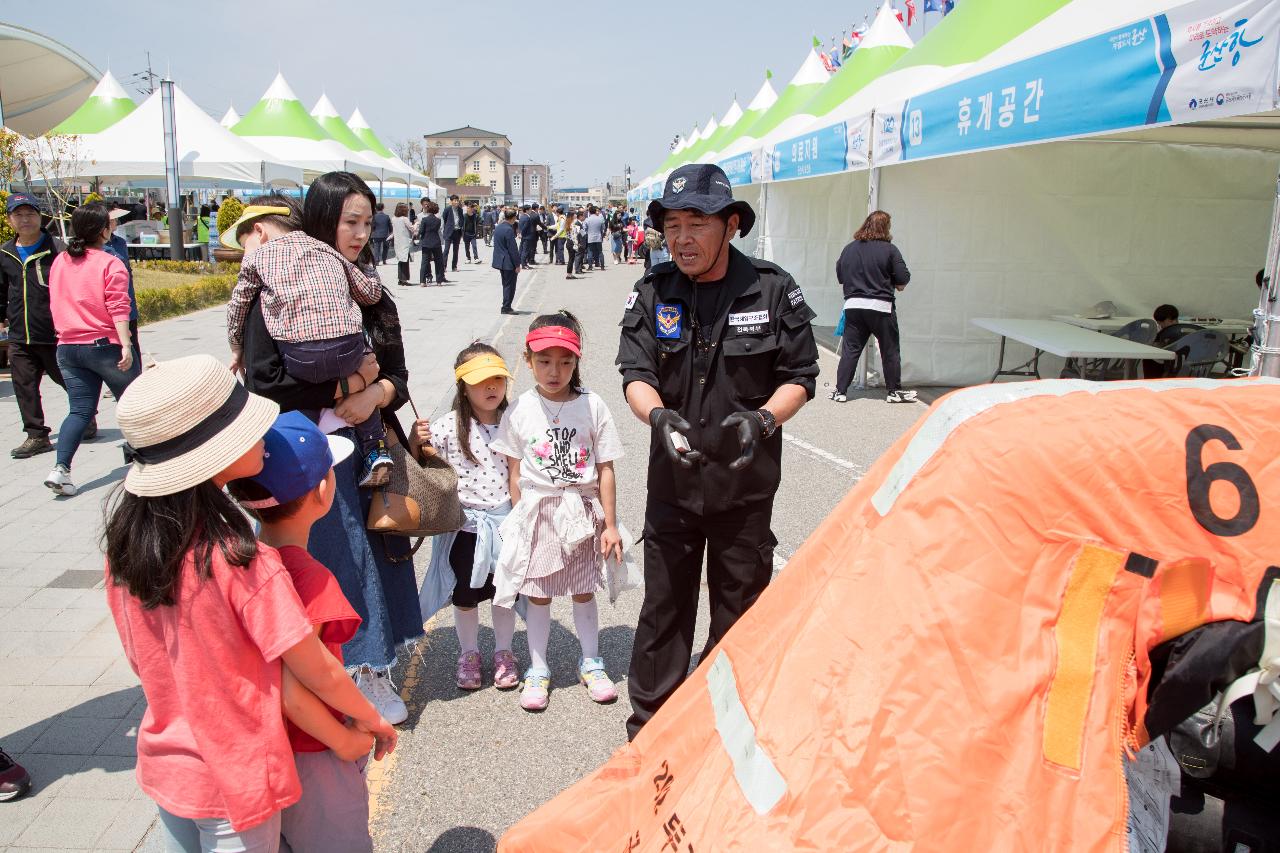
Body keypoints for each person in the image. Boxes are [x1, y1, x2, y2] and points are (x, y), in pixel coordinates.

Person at [104, 354, 397, 852]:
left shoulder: (127, 552)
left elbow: (142, 658)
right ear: (213, 456)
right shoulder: (241, 560)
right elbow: (313, 670)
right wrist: (368, 723)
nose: (262, 435)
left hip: (168, 765)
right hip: (238, 778)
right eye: (248, 430)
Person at [616, 163, 819, 739]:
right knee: (663, 611)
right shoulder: (653, 291)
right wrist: (656, 415)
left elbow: (801, 374)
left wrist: (763, 419)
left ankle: (728, 727)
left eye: (696, 224)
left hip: (744, 487)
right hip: (673, 487)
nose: (681, 238)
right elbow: (635, 371)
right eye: (672, 225)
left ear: (730, 225)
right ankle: (650, 732)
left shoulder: (773, 288)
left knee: (741, 614)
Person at [238, 177, 422, 726]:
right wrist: (344, 390)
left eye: (368, 223)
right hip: (302, 455)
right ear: (321, 221)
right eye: (350, 222)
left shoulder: (369, 290)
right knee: (328, 560)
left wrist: (374, 393)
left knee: (376, 551)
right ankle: (323, 671)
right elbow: (265, 382)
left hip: (370, 450)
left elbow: (399, 375)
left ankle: (373, 668)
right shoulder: (277, 286)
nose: (361, 235)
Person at [226, 412, 386, 853]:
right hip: (315, 749)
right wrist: (354, 735)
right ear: (322, 491)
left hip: (262, 750)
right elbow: (296, 687)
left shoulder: (241, 563)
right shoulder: (310, 579)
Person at [491, 312, 625, 711]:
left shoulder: (592, 404)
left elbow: (606, 468)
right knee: (539, 594)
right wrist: (519, 520)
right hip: (538, 511)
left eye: (565, 362)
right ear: (528, 360)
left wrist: (612, 524)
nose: (555, 371)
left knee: (584, 589)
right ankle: (538, 668)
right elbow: (514, 472)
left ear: (577, 362)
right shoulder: (519, 409)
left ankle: (591, 662)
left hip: (582, 511)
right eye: (544, 361)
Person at [223, 201, 393, 488]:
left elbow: (264, 380)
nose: (361, 235)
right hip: (350, 351)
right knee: (358, 352)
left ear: (259, 231)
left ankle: (305, 450)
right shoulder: (328, 253)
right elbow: (370, 291)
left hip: (302, 361)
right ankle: (376, 450)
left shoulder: (260, 272)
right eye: (352, 223)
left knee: (305, 392)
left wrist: (235, 343)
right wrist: (359, 382)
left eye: (244, 246)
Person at [411, 344, 520, 691]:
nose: (491, 388)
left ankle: (504, 651)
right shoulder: (446, 427)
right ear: (462, 386)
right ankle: (469, 653)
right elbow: (423, 469)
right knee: (465, 595)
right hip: (464, 528)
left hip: (504, 525)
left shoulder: (513, 421)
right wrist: (416, 442)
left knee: (505, 594)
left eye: (497, 380)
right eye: (480, 381)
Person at [43, 202, 141, 496]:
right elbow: (118, 306)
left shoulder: (60, 261)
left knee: (80, 411)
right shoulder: (111, 263)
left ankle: (61, 469)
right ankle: (150, 460)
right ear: (103, 230)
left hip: (67, 347)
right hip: (103, 346)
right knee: (134, 403)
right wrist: (126, 344)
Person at [1, 193, 67, 459]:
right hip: (19, 334)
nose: (25, 219)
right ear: (9, 219)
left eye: (30, 214)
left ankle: (86, 418)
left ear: (41, 217)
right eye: (18, 215)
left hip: (54, 332)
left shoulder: (58, 249)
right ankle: (36, 434)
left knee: (68, 380)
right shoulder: (5, 253)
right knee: (24, 385)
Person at [830, 210, 915, 404]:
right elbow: (903, 277)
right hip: (881, 307)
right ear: (886, 228)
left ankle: (840, 391)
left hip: (853, 306)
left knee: (851, 350)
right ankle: (893, 392)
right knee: (889, 350)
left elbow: (840, 275)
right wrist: (892, 282)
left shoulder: (849, 249)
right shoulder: (890, 250)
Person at [103, 207, 141, 355]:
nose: (115, 222)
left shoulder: (120, 242)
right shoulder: (97, 248)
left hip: (127, 303)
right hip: (108, 309)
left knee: (133, 348)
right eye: (112, 220)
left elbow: (128, 272)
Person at [492, 208, 522, 315]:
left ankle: (506, 305)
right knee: (510, 285)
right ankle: (506, 307)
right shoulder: (509, 229)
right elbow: (513, 249)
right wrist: (517, 264)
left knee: (505, 284)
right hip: (508, 262)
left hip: (500, 260)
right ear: (514, 218)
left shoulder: (499, 226)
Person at [417, 200, 446, 285]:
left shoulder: (424, 219)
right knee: (438, 262)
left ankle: (422, 282)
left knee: (424, 262)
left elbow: (421, 231)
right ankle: (439, 281)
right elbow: (437, 230)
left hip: (426, 242)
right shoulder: (438, 220)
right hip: (436, 242)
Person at [391, 202, 415, 286]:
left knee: (400, 261)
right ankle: (404, 280)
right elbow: (412, 229)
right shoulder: (404, 219)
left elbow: (393, 231)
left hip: (397, 242)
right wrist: (417, 224)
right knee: (405, 261)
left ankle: (400, 279)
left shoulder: (393, 218)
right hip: (405, 242)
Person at [442, 195, 465, 273]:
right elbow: (444, 219)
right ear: (451, 201)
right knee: (446, 250)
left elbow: (462, 219)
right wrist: (447, 228)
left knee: (456, 250)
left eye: (457, 200)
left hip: (457, 231)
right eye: (455, 200)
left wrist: (461, 225)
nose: (456, 202)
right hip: (449, 232)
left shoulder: (460, 210)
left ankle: (454, 267)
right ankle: (443, 267)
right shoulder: (447, 209)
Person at [584, 205, 606, 270]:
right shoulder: (600, 219)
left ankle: (590, 266)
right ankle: (602, 266)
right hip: (598, 237)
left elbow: (584, 229)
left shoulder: (587, 220)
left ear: (590, 212)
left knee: (590, 252)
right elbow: (603, 228)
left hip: (590, 237)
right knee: (600, 252)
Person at [563, 211, 579, 280]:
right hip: (572, 242)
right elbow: (574, 236)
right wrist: (577, 244)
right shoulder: (572, 225)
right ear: (572, 216)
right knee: (571, 259)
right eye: (574, 214)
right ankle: (569, 274)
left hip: (568, 242)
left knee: (571, 259)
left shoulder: (567, 223)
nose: (576, 215)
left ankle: (569, 274)